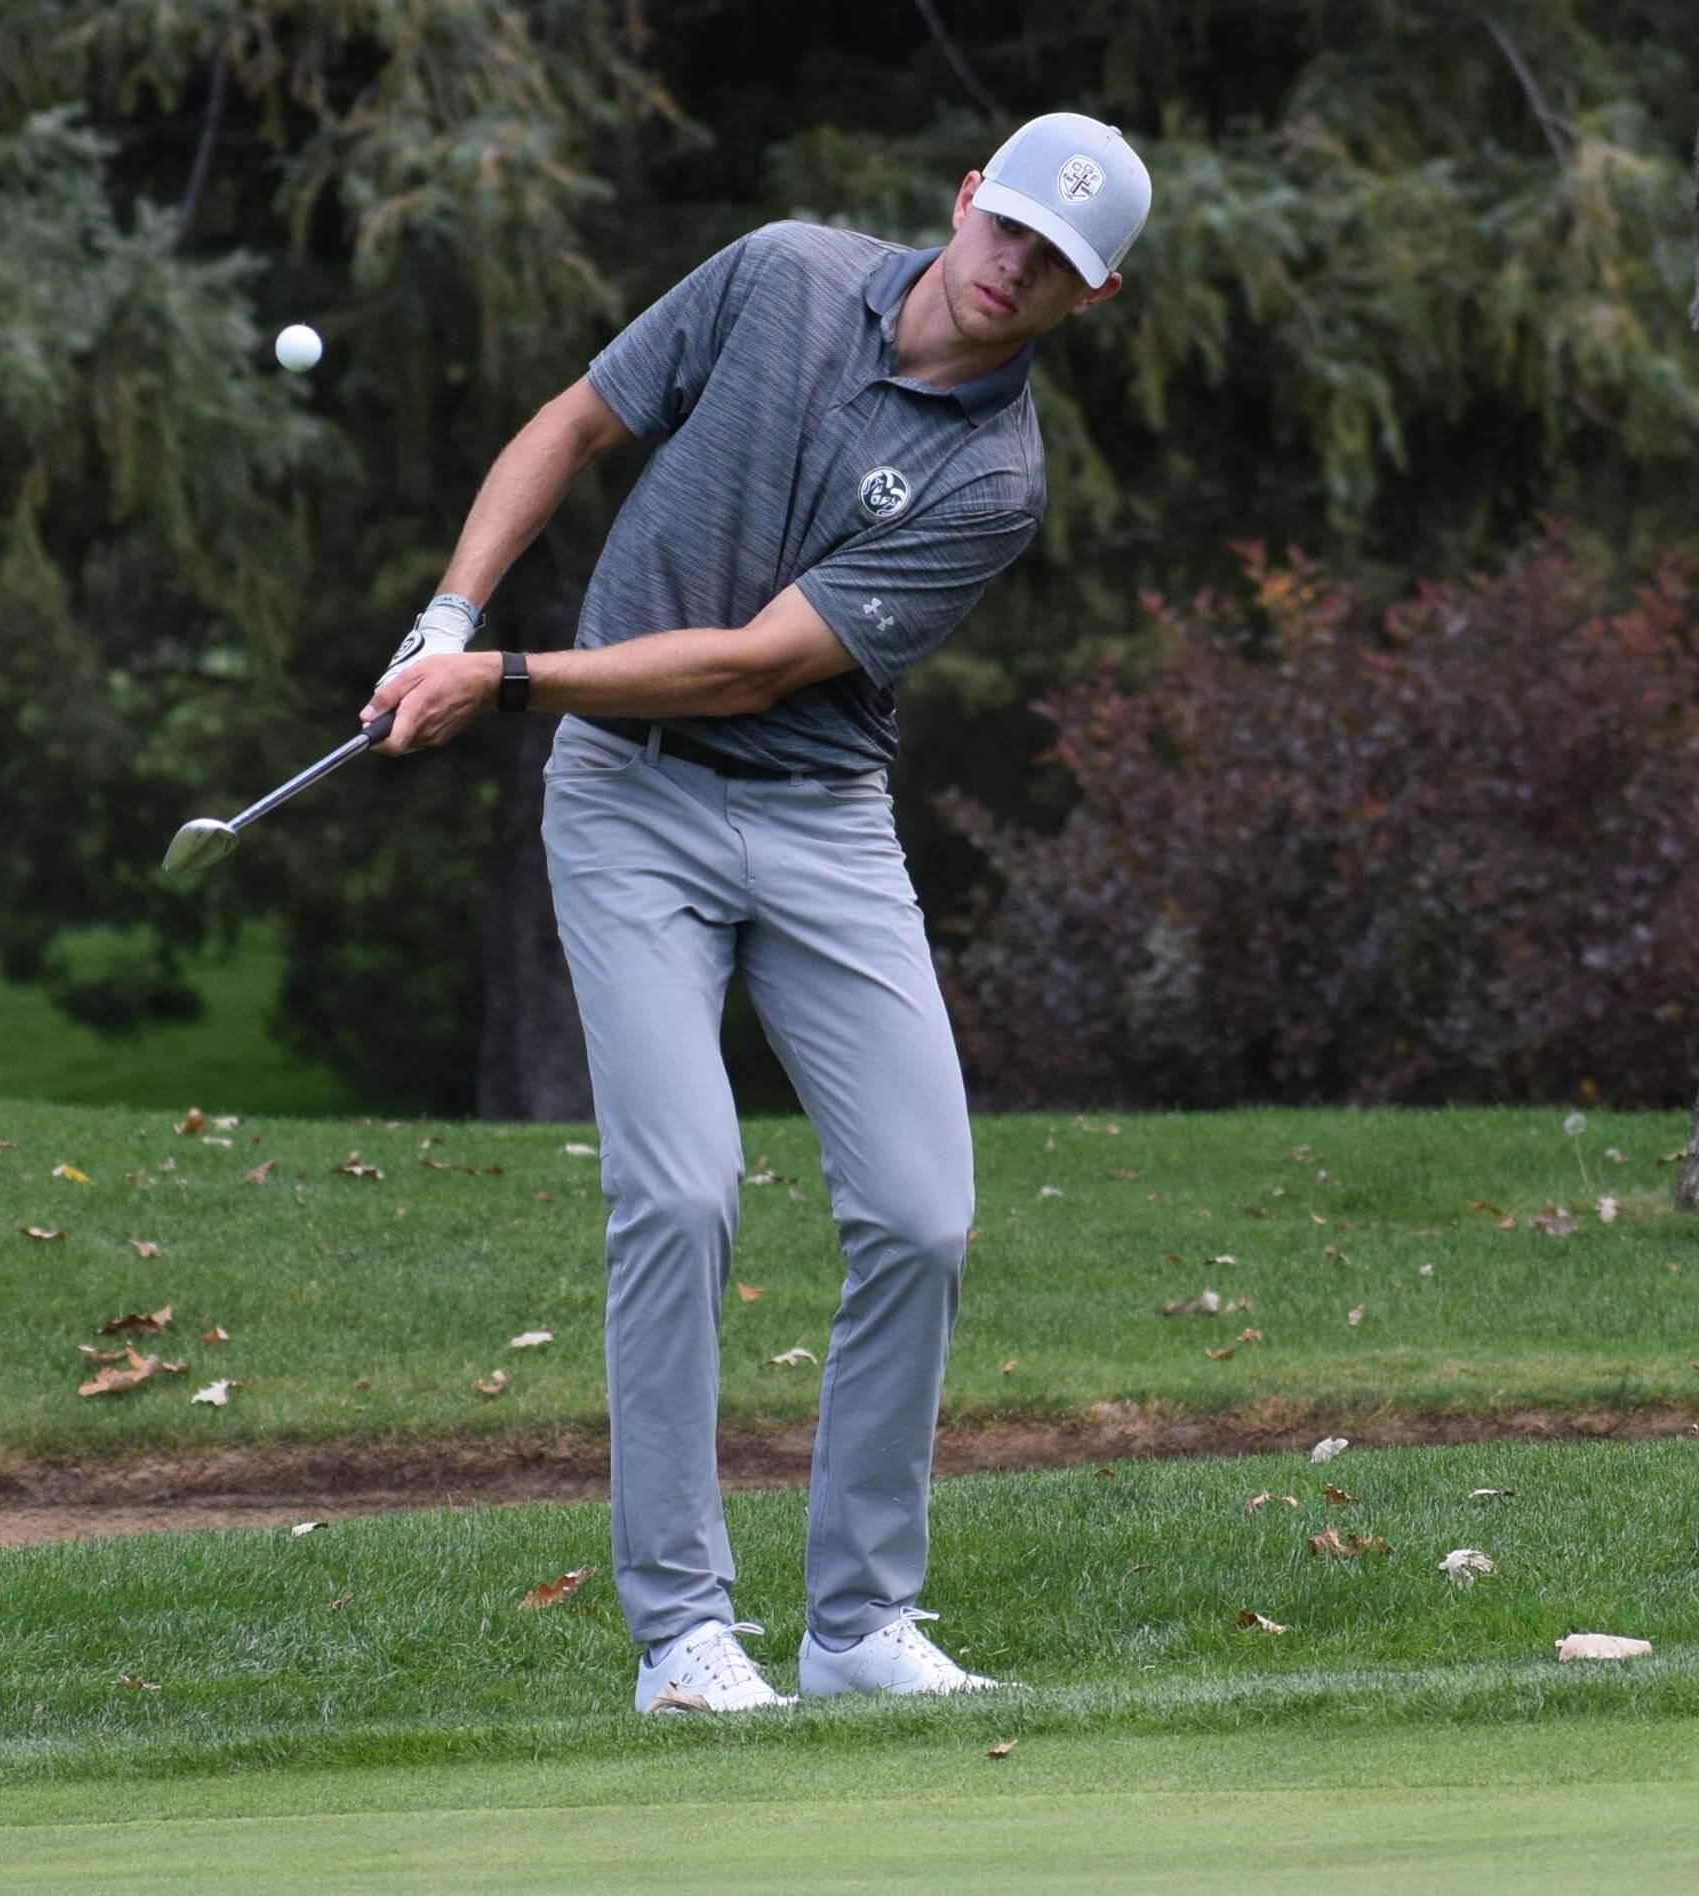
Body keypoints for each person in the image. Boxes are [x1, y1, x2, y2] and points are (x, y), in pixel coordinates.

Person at [360, 112, 1151, 1713]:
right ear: (964, 199)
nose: (1012, 269)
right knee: (680, 1193)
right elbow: (571, 423)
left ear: (1095, 296)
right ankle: (680, 1636)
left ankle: (856, 1625)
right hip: (629, 809)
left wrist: (501, 677)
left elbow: (749, 667)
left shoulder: (993, 478)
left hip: (817, 823)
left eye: (1055, 261)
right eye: (1006, 226)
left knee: (920, 1216)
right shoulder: (779, 273)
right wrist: (449, 611)